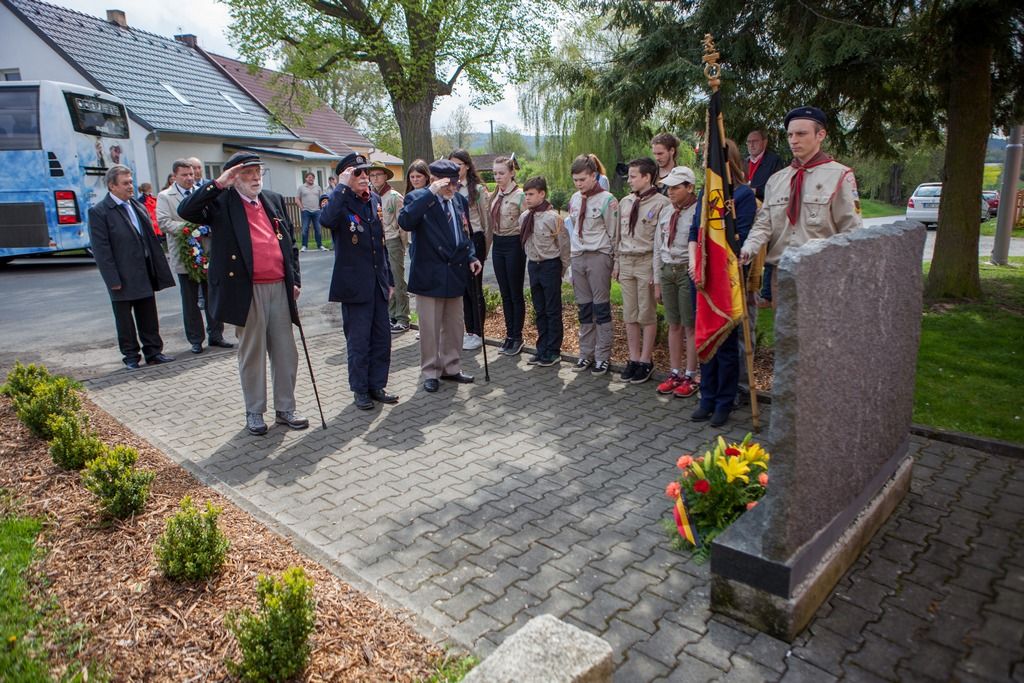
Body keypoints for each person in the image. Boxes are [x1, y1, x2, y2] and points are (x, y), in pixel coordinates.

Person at [177, 151, 309, 436]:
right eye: (247, 172)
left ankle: (286, 408)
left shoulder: (272, 199)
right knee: (252, 353)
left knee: (286, 352)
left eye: (257, 171)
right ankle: (254, 411)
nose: (255, 177)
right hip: (247, 290)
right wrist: (218, 183)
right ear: (234, 177)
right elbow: (185, 211)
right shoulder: (221, 202)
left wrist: (294, 279)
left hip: (279, 287)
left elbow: (290, 246)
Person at [739, 107, 864, 305]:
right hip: (782, 273)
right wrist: (748, 249)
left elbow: (851, 231)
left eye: (801, 133)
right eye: (790, 135)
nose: (793, 140)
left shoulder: (840, 176)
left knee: (821, 335)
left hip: (821, 273)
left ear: (820, 135)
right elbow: (764, 224)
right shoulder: (776, 180)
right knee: (786, 336)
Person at [688, 139, 757, 428]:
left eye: (710, 158)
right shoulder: (706, 192)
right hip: (701, 276)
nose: (706, 163)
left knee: (726, 344)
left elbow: (740, 237)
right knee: (705, 336)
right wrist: (694, 264)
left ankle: (723, 402)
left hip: (726, 279)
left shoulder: (743, 196)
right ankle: (707, 396)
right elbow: (694, 232)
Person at [319, 154, 397, 410]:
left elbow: (381, 242)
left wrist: (390, 279)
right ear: (345, 176)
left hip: (377, 282)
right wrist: (340, 187)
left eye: (366, 172)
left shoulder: (373, 199)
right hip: (354, 286)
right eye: (357, 173)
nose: (364, 177)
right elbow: (326, 220)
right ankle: (360, 389)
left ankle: (377, 384)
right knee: (359, 341)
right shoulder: (339, 200)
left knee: (381, 338)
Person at [398, 159, 482, 393]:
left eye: (455, 184)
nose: (453, 189)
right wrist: (430, 194)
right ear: (434, 180)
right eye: (447, 184)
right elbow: (405, 222)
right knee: (430, 327)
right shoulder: (418, 198)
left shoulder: (459, 201)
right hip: (430, 274)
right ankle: (431, 371)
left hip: (454, 272)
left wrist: (472, 256)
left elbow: (466, 232)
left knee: (454, 326)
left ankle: (451, 367)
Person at [88, 164, 176, 370]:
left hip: (143, 271)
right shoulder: (100, 212)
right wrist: (113, 279)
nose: (131, 187)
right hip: (122, 275)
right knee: (125, 320)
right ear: (112, 186)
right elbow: (101, 250)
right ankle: (130, 356)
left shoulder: (137, 206)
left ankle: (154, 352)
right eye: (125, 183)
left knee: (148, 315)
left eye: (131, 182)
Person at [157, 159, 233, 355]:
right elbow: (164, 222)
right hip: (185, 255)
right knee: (190, 299)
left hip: (208, 252)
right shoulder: (165, 196)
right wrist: (191, 229)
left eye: (191, 174)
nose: (190, 178)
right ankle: (196, 339)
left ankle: (216, 335)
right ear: (175, 176)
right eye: (185, 175)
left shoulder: (202, 193)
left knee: (212, 296)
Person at [615, 157, 672, 384]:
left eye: (633, 176)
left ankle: (646, 360)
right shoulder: (625, 202)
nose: (629, 180)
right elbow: (619, 235)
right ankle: (633, 358)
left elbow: (661, 241)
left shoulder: (661, 204)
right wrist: (618, 263)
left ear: (647, 177)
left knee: (646, 313)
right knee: (629, 313)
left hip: (647, 261)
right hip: (627, 260)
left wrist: (656, 272)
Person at [567, 154, 619, 375]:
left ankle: (602, 356)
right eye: (575, 180)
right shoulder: (575, 199)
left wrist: (615, 262)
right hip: (579, 256)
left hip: (599, 256)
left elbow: (614, 234)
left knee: (601, 308)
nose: (579, 184)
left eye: (582, 179)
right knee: (584, 309)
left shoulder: (608, 200)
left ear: (594, 176)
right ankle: (585, 354)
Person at [653, 166, 700, 398]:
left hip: (685, 271)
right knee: (674, 324)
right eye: (668, 187)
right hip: (667, 269)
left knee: (690, 324)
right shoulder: (666, 212)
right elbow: (657, 247)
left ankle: (691, 374)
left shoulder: (697, 212)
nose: (670, 192)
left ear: (689, 187)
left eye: (675, 187)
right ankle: (675, 372)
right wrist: (657, 280)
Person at [521, 176, 569, 367]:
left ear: (542, 194)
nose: (528, 198)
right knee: (539, 309)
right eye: (526, 194)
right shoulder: (525, 217)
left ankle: (553, 350)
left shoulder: (553, 218)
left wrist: (562, 268)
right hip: (533, 265)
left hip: (550, 265)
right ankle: (541, 349)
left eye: (531, 194)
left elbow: (564, 245)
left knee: (552, 309)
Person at [449, 149, 491, 351]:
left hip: (474, 238)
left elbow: (486, 221)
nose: (455, 168)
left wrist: (485, 246)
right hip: (457, 241)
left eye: (458, 164)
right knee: (463, 289)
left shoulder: (478, 190)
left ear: (466, 165)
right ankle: (469, 330)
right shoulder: (449, 187)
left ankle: (478, 333)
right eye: (452, 164)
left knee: (475, 288)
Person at [489, 156, 527, 356]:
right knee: (504, 293)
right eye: (495, 173)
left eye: (501, 173)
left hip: (514, 244)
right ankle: (509, 334)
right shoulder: (497, 194)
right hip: (498, 244)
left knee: (515, 292)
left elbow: (528, 223)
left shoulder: (520, 196)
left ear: (512, 173)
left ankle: (517, 336)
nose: (497, 177)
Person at [367, 162, 408, 334]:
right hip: (377, 243)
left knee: (397, 280)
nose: (375, 178)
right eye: (372, 175)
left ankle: (403, 317)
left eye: (378, 175)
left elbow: (403, 225)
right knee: (384, 281)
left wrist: (402, 246)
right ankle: (390, 315)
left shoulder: (394, 197)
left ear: (385, 176)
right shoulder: (369, 197)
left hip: (392, 241)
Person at [297, 172, 326, 252]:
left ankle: (320, 245)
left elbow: (322, 198)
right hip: (306, 211)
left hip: (317, 211)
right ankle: (304, 246)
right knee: (305, 229)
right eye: (309, 177)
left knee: (318, 228)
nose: (311, 179)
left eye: (312, 177)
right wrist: (301, 208)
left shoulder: (318, 187)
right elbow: (297, 199)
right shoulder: (301, 187)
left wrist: (321, 208)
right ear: (306, 178)